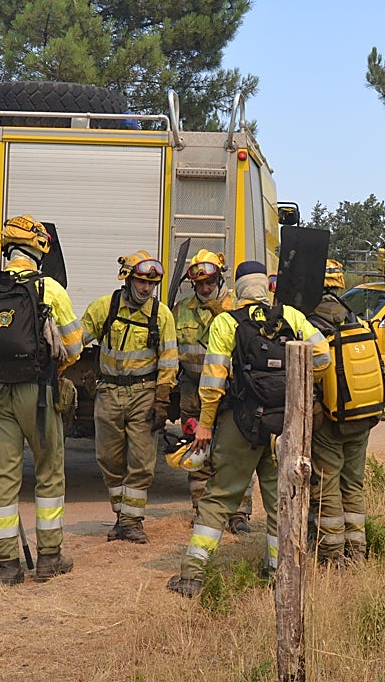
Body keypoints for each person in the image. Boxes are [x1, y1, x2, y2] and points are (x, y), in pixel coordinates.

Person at [166, 261, 330, 598]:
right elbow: (323, 359)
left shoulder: (227, 321)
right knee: (279, 500)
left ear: (238, 289)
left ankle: (193, 575)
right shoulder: (292, 317)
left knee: (219, 497)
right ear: (267, 288)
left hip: (239, 423)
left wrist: (206, 425)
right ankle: (278, 574)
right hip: (283, 426)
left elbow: (213, 382)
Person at [0, 215, 83, 585]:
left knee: (1, 480)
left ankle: (8, 565)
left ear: (7, 249)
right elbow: (74, 347)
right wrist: (51, 370)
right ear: (38, 250)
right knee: (49, 474)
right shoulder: (50, 289)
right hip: (39, 394)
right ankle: (49, 558)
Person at [81, 251, 178, 544]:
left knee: (141, 461)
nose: (146, 289)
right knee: (108, 458)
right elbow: (75, 341)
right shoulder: (104, 307)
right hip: (108, 393)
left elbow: (169, 360)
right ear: (128, 279)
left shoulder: (162, 315)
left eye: (151, 284)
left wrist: (162, 399)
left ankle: (131, 522)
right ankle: (120, 515)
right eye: (141, 282)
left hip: (143, 394)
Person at [171, 249, 252, 534]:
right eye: (200, 284)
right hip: (193, 392)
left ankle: (239, 514)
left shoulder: (238, 307)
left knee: (235, 454)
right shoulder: (181, 309)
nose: (205, 289)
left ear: (220, 279)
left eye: (210, 282)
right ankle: (202, 511)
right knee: (198, 454)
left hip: (232, 393)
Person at [306, 286, 384, 566]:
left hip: (331, 422)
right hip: (363, 415)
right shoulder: (357, 320)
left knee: (327, 485)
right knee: (353, 485)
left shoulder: (310, 325)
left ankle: (332, 555)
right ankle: (357, 552)